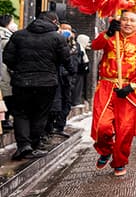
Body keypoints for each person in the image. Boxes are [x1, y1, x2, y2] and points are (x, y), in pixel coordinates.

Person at [91, 11, 136, 176]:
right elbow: (95, 46)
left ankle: (119, 161)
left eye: (132, 21)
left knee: (125, 130)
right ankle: (105, 149)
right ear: (120, 22)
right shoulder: (110, 37)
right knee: (102, 125)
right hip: (106, 86)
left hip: (127, 91)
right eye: (125, 20)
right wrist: (107, 33)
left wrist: (132, 86)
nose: (128, 23)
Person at [3, 11, 71, 160]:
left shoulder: (18, 35)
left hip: (21, 82)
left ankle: (23, 146)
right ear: (54, 22)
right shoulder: (57, 38)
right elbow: (66, 59)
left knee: (21, 113)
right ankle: (33, 145)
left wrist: (20, 69)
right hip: (47, 83)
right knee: (40, 114)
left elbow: (7, 58)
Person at [47, 23, 78, 138]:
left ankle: (60, 126)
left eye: (68, 29)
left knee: (66, 102)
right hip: (56, 77)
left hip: (68, 78)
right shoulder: (54, 41)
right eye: (64, 29)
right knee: (55, 104)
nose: (66, 31)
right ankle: (50, 127)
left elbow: (75, 61)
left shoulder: (74, 45)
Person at [0, 14, 17, 131]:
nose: (15, 24)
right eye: (13, 22)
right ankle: (4, 121)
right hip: (4, 72)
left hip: (4, 71)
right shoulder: (5, 38)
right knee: (7, 97)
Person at [71, 33, 91, 107]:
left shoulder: (81, 50)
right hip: (78, 72)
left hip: (79, 72)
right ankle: (76, 100)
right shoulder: (80, 50)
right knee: (77, 87)